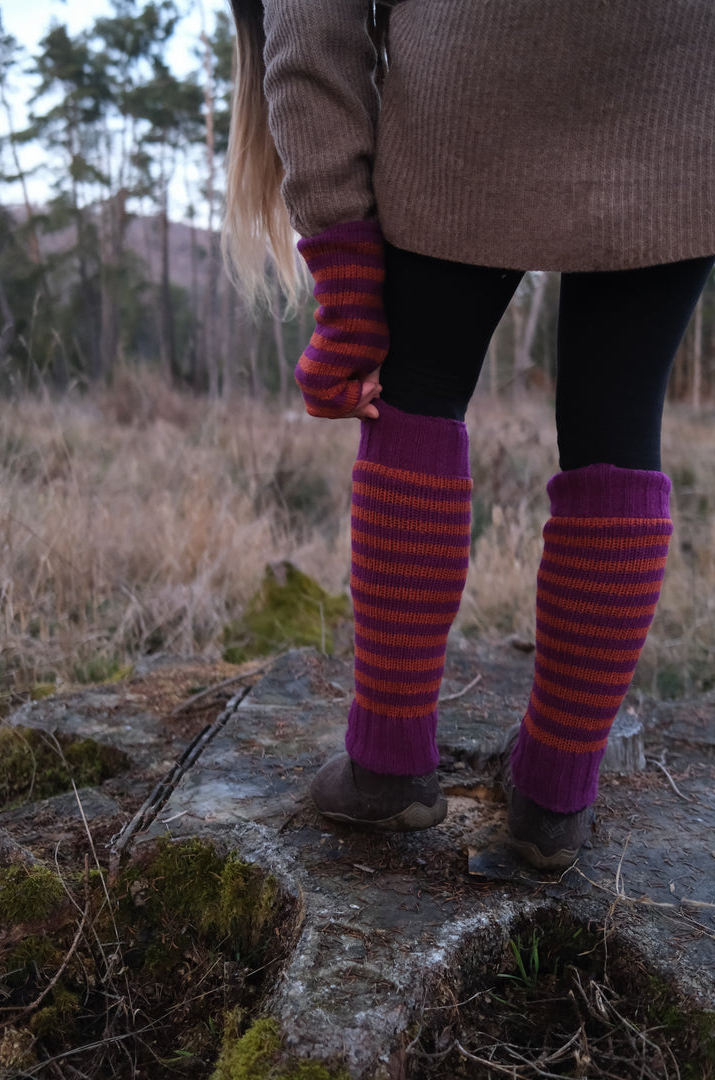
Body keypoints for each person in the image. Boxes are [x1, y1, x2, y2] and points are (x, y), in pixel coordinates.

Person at [223, 0, 715, 869]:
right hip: (680, 118)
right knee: (619, 425)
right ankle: (556, 798)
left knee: (411, 400)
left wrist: (343, 278)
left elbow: (310, 24)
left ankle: (385, 766)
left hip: (466, 101)